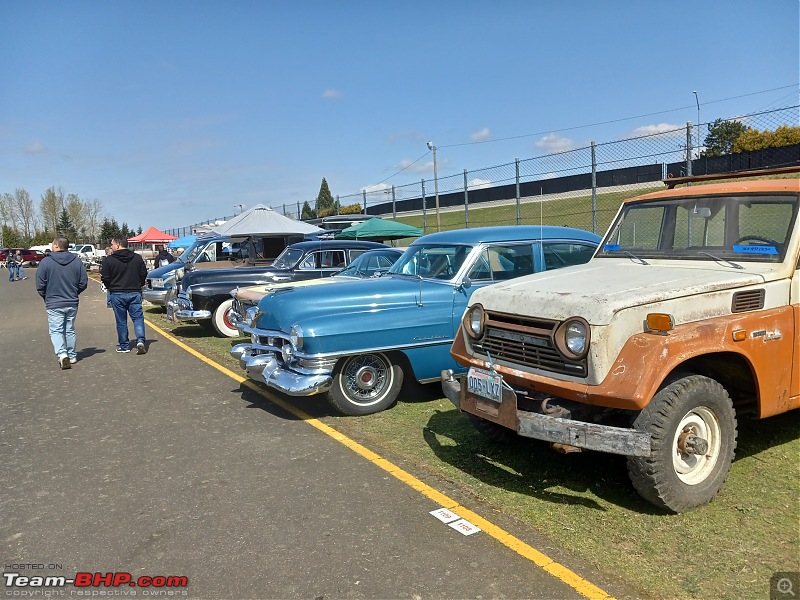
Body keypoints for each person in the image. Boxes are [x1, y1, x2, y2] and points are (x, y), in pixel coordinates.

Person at [35, 237, 88, 369]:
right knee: (69, 329)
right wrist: (74, 292)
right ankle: (72, 355)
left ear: (57, 246)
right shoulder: (76, 261)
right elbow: (83, 282)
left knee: (56, 330)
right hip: (71, 300)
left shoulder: (46, 262)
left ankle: (62, 354)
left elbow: (40, 284)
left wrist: (46, 296)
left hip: (53, 301)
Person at [101, 236, 148, 354]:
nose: (111, 247)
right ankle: (140, 340)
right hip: (134, 291)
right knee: (137, 318)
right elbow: (143, 273)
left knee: (121, 320)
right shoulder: (137, 258)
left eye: (112, 244)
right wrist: (139, 284)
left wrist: (110, 287)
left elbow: (105, 277)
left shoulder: (109, 260)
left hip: (117, 292)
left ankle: (124, 345)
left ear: (117, 245)